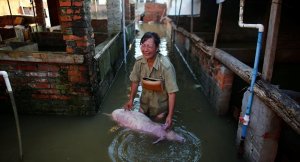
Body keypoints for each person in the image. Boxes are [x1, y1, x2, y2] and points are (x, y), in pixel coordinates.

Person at [124, 32, 179, 129]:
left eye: (149, 46)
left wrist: (170, 116)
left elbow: (172, 93)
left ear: (157, 48)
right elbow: (135, 81)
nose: (145, 49)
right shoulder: (139, 62)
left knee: (157, 132)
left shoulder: (166, 67)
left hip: (160, 110)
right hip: (144, 106)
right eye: (143, 45)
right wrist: (131, 100)